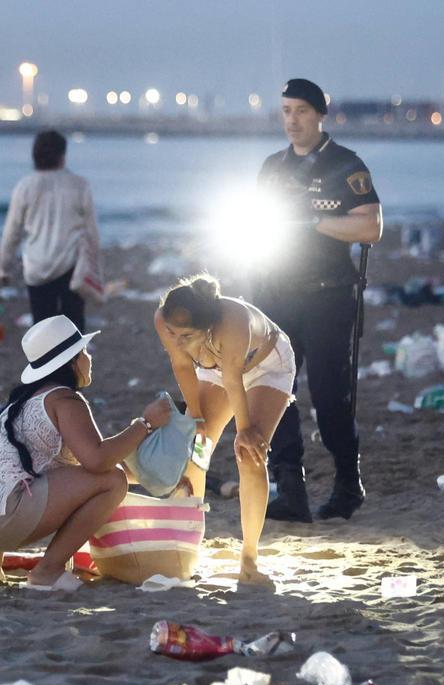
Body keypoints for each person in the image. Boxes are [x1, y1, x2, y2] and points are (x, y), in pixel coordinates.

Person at [0, 315, 172, 591]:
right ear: (72, 362)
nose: (89, 359)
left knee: (21, 473)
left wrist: (157, 477)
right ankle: (47, 571)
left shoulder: (22, 401)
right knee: (113, 481)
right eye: (84, 352)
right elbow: (99, 463)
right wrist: (145, 424)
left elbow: (81, 474)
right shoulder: (64, 399)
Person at [253, 78, 383, 522]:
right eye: (286, 110)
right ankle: (290, 487)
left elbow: (370, 228)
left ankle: (349, 482)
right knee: (274, 392)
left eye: (301, 111)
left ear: (320, 114)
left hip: (329, 296)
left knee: (330, 396)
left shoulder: (347, 165)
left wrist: (311, 222)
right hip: (275, 293)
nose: (292, 120)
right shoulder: (271, 168)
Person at [154, 275, 295, 584]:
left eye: (186, 336)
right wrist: (199, 421)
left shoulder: (233, 322)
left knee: (248, 454)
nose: (176, 341)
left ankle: (249, 558)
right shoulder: (166, 318)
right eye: (172, 333)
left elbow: (235, 381)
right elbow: (181, 366)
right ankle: (185, 547)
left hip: (267, 367)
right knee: (196, 451)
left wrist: (245, 431)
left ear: (207, 328)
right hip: (217, 371)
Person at [0, 129, 101, 332]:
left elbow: (12, 233)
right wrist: (95, 269)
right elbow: (92, 232)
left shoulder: (25, 186)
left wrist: (4, 267)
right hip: (71, 266)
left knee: (43, 331)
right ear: (63, 155)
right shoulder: (79, 185)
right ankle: (71, 363)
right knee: (74, 327)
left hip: (37, 266)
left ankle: (50, 363)